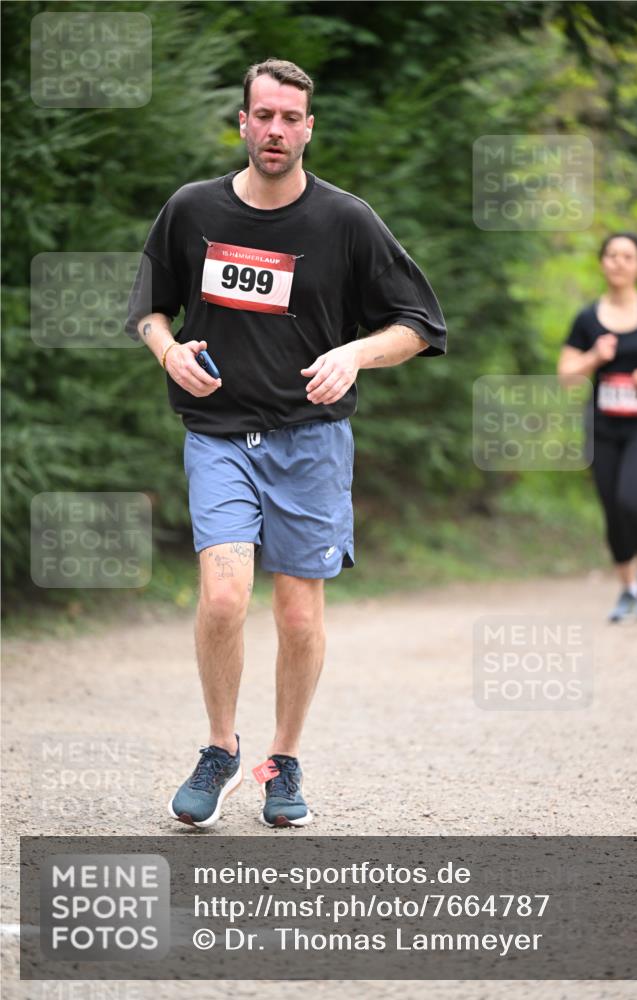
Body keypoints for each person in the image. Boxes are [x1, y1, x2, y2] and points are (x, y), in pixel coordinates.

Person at [126, 58, 446, 828]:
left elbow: (419, 325)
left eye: (289, 118)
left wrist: (353, 353)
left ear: (308, 127)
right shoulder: (191, 210)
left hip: (309, 442)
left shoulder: (345, 220)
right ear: (241, 123)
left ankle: (283, 761)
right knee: (224, 596)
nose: (274, 130)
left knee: (299, 618)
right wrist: (167, 353)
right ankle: (218, 747)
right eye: (261, 116)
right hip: (219, 436)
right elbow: (150, 308)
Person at [558, 233, 637, 623]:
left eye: (628, 256)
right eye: (611, 255)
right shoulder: (588, 319)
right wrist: (593, 356)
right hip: (602, 427)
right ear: (602, 263)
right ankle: (627, 588)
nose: (619, 262)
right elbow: (566, 375)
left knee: (629, 499)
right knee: (611, 510)